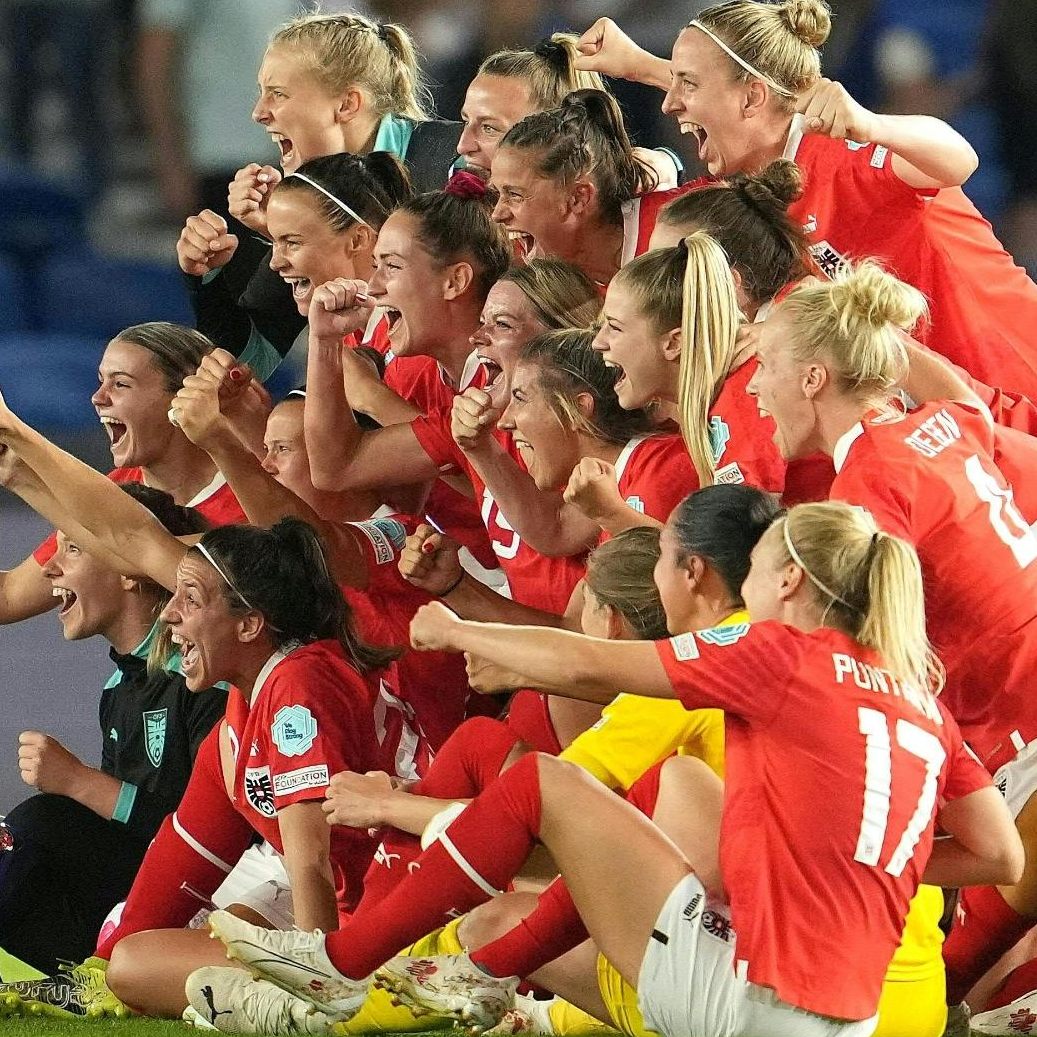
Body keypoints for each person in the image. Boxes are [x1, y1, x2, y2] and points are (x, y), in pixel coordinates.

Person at [194, 500, 1019, 1037]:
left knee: (546, 789)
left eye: (762, 567)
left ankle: (342, 970)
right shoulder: (918, 701)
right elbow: (998, 857)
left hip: (750, 1001)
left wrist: (458, 633)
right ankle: (473, 980)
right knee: (682, 799)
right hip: (858, 1012)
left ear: (789, 581)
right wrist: (833, 862)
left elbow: (589, 668)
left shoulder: (776, 651)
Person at [746, 259, 1037, 1006]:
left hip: (1022, 726)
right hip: (1020, 707)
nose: (752, 386)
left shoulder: (869, 481)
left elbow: (869, 657)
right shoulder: (939, 423)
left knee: (953, 983)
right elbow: (964, 400)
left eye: (767, 365)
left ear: (813, 378)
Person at [571, 0, 1037, 398]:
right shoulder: (763, 177)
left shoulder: (837, 148)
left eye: (687, 85)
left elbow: (959, 158)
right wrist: (640, 65)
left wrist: (873, 124)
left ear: (753, 97)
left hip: (1014, 374)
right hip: (948, 406)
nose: (670, 104)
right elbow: (728, 84)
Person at [0, 470, 224, 975]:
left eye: (73, 549)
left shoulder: (206, 680)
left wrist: (80, 783)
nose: (51, 569)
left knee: (43, 821)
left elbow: (206, 838)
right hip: (131, 902)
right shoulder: (118, 688)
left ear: (128, 569)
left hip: (209, 903)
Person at [305, 259, 600, 613]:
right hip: (543, 645)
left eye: (502, 325)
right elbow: (335, 467)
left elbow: (555, 532)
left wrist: (373, 397)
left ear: (558, 340)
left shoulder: (598, 426)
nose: (478, 338)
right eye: (482, 323)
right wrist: (323, 341)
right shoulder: (478, 420)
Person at [179, 11, 459, 374]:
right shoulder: (316, 197)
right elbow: (245, 366)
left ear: (347, 105)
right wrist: (208, 277)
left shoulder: (453, 161)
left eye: (277, 94)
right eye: (262, 94)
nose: (259, 113)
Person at [0, 322, 246, 627]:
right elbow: (8, 596)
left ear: (184, 397)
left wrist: (16, 436)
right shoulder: (118, 487)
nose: (97, 397)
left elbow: (135, 549)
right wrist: (13, 467)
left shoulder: (248, 494)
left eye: (120, 384)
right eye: (101, 381)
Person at [450, 327, 695, 558]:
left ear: (578, 409)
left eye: (521, 398)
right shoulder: (615, 478)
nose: (505, 421)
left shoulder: (663, 468)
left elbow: (692, 578)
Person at [178, 151, 412, 382]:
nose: (275, 262)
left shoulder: (417, 328)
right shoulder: (343, 331)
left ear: (357, 240)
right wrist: (206, 276)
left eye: (292, 242)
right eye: (273, 240)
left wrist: (366, 393)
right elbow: (237, 368)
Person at [593, 230, 787, 497]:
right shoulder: (722, 395)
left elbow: (752, 534)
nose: (598, 342)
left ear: (674, 343)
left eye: (614, 327)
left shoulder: (747, 404)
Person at [458, 34, 680, 188]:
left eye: (490, 128)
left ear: (557, 136)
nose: (463, 146)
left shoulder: (631, 218)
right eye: (466, 121)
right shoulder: (449, 180)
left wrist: (643, 65)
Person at [489, 88, 658, 284]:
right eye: (498, 192)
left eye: (515, 194)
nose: (497, 214)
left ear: (578, 198)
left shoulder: (676, 233)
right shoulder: (519, 258)